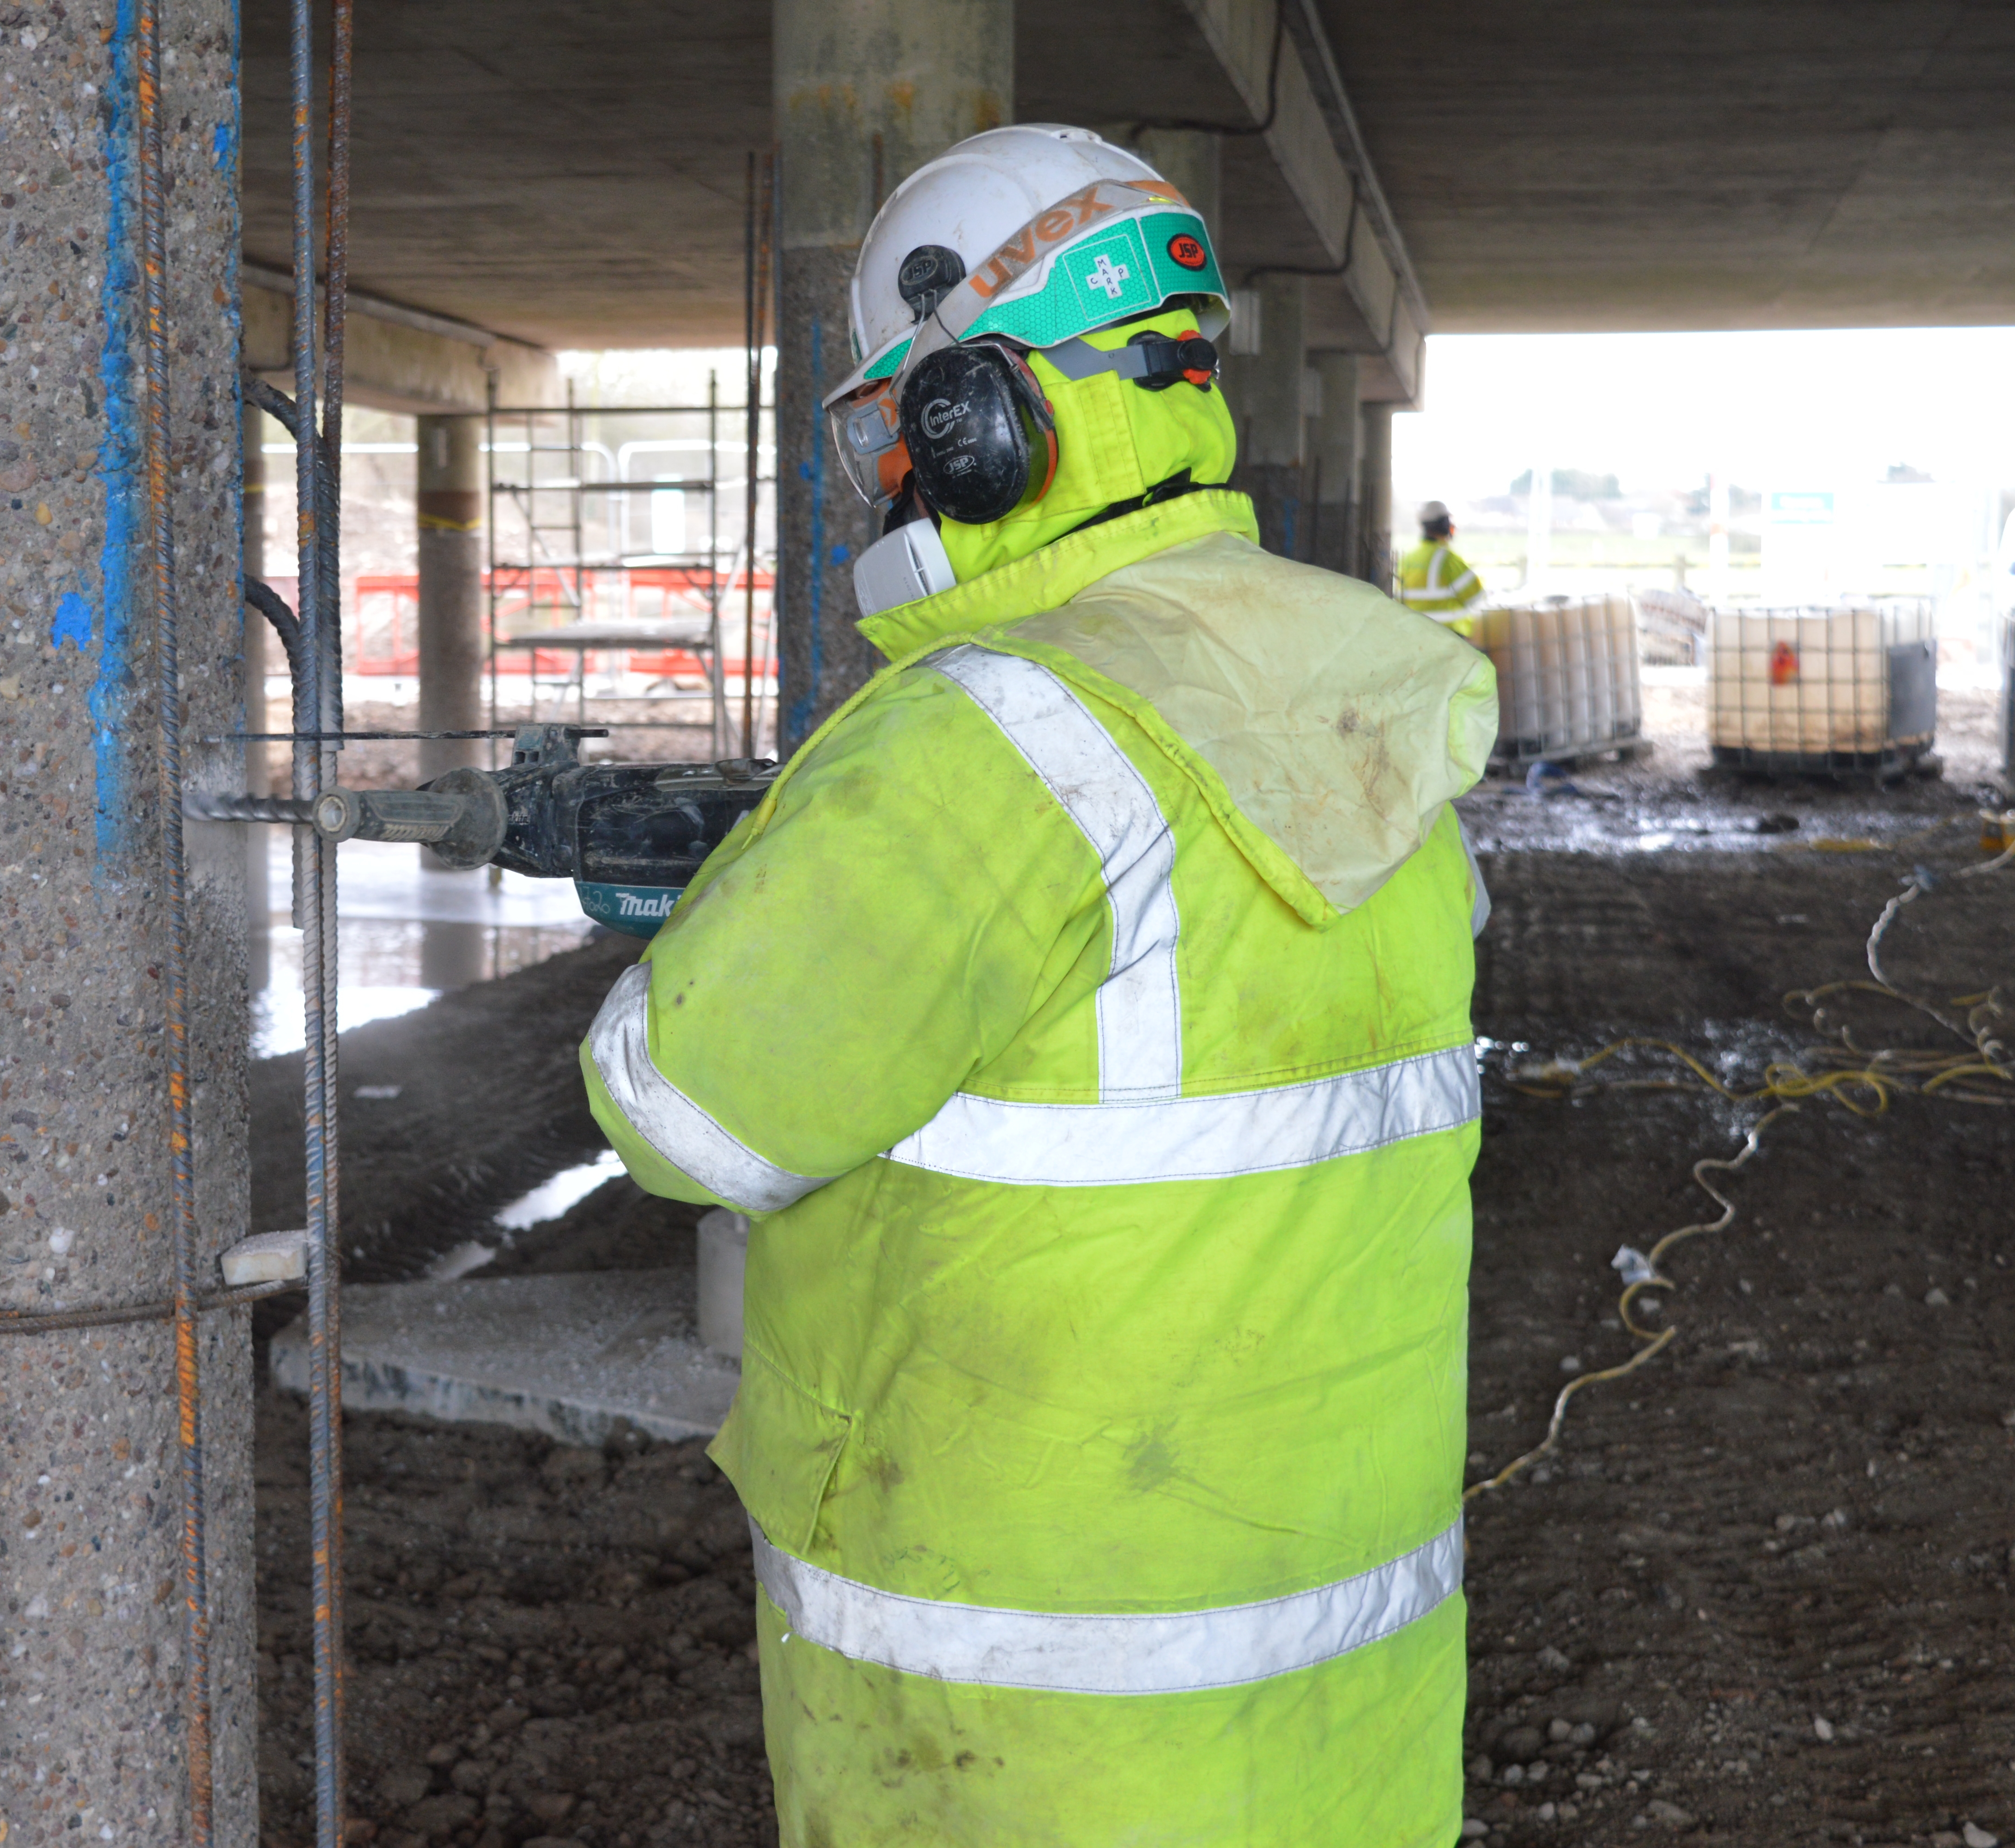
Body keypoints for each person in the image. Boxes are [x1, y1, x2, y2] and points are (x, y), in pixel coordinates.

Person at [577, 123, 1495, 1845]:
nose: (895, 484)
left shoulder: (985, 738)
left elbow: (680, 1108)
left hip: (1025, 1737)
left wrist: (728, 900)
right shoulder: (1360, 710)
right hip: (1329, 1709)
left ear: (971, 419)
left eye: (893, 432)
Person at [1399, 498, 1487, 636]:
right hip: (1448, 637)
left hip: (1413, 636)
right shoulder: (1448, 559)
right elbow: (1476, 597)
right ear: (1446, 525)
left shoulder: (1408, 559)